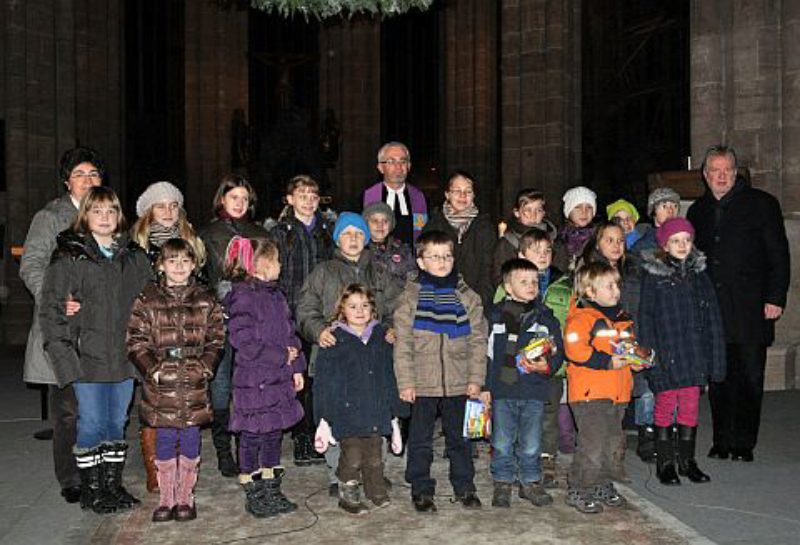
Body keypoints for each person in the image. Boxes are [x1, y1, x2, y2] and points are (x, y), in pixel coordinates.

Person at [39, 186, 152, 514]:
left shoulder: (134, 257)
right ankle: (92, 489)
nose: (104, 218)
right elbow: (51, 310)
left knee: (116, 422)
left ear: (119, 216)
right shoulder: (70, 256)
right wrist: (64, 361)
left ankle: (111, 485)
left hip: (123, 357)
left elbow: (150, 302)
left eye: (111, 211)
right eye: (97, 211)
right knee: (90, 423)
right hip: (86, 357)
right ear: (85, 215)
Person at [687, 145, 790, 462]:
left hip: (751, 307)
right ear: (705, 175)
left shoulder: (762, 204)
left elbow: (778, 255)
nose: (720, 176)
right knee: (719, 377)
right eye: (714, 170)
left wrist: (775, 297)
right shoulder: (698, 211)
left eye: (726, 170)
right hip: (713, 310)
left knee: (748, 376)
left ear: (736, 172)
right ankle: (721, 440)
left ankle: (743, 443)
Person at [19, 146, 104, 504]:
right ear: (67, 180)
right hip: (65, 327)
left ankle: (101, 471)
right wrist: (55, 299)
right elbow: (32, 264)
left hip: (99, 328)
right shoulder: (51, 216)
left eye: (94, 174)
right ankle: (71, 477)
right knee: (68, 410)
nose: (88, 180)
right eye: (81, 174)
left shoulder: (107, 214)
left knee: (99, 407)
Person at [296, 212, 401, 496]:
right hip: (336, 357)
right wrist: (318, 331)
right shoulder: (323, 271)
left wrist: (391, 329)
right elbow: (305, 308)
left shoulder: (379, 271)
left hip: (372, 357)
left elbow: (396, 306)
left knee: (376, 410)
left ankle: (373, 471)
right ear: (337, 238)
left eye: (358, 234)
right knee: (336, 412)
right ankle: (338, 473)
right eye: (347, 234)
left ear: (366, 238)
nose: (353, 239)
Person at [126, 238, 225, 522]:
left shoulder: (206, 299)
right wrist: (151, 369)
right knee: (166, 438)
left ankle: (185, 497)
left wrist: (206, 367)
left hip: (193, 379)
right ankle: (166, 497)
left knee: (191, 437)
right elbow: (135, 340)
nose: (179, 267)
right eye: (172, 261)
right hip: (161, 381)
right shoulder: (147, 299)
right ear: (161, 265)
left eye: (185, 261)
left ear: (194, 264)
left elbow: (217, 339)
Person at [394, 229, 488, 513]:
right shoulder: (409, 299)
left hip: (459, 382)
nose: (442, 262)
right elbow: (402, 345)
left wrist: (476, 380)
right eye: (435, 257)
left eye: (447, 256)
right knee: (420, 440)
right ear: (421, 262)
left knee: (460, 439)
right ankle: (421, 487)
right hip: (422, 382)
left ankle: (464, 485)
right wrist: (406, 383)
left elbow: (478, 341)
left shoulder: (468, 297)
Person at [130, 180, 207, 493]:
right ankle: (156, 471)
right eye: (160, 205)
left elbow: (204, 284)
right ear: (148, 211)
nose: (167, 211)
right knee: (153, 404)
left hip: (186, 335)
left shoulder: (193, 243)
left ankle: (184, 471)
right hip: (151, 333)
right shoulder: (135, 247)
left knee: (186, 403)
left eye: (173, 205)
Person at [638, 218, 726, 486]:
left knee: (689, 407)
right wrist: (650, 356)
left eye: (686, 240)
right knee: (665, 406)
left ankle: (687, 461)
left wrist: (715, 359)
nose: (682, 245)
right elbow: (646, 319)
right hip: (666, 353)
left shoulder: (700, 277)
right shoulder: (654, 278)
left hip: (694, 354)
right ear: (664, 244)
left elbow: (713, 319)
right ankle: (665, 463)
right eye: (675, 240)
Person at [224, 237, 306, 518]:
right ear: (262, 264)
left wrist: (296, 368)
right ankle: (254, 490)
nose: (281, 265)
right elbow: (243, 341)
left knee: (273, 433)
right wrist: (280, 356)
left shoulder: (277, 295)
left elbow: (290, 335)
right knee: (252, 435)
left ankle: (272, 487)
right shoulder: (243, 296)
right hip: (254, 381)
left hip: (279, 379)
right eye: (278, 260)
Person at [313, 284, 405, 514]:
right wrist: (324, 417)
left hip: (375, 409)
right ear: (342, 309)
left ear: (373, 309)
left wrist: (394, 412)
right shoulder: (333, 339)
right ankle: (348, 492)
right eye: (353, 306)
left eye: (365, 305)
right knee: (352, 456)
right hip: (346, 412)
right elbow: (323, 381)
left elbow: (389, 374)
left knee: (375, 456)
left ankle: (376, 490)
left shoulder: (381, 336)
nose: (359, 310)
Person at [199, 174, 269, 477]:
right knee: (221, 386)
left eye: (244, 198)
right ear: (222, 200)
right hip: (220, 321)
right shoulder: (206, 234)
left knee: (248, 386)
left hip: (252, 320)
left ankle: (246, 447)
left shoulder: (260, 233)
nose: (239, 203)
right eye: (233, 198)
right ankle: (223, 450)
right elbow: (200, 278)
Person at [563, 262, 644, 514]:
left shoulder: (621, 319)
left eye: (617, 285)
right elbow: (574, 348)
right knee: (592, 445)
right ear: (589, 291)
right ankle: (579, 487)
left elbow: (627, 350)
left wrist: (636, 360)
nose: (616, 290)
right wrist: (607, 361)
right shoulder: (582, 317)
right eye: (609, 286)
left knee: (612, 442)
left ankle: (601, 483)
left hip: (617, 393)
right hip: (591, 394)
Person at [483, 259, 564, 508]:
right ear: (508, 287)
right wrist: (484, 388)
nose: (531, 286)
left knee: (532, 441)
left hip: (533, 391)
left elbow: (558, 351)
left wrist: (547, 366)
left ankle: (530, 482)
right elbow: (484, 356)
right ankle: (503, 482)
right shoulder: (494, 317)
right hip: (502, 391)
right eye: (524, 281)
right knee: (502, 440)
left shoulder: (545, 318)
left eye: (535, 281)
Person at [267, 175, 334, 467]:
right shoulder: (281, 233)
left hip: (321, 315)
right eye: (302, 194)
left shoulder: (326, 231)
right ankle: (301, 436)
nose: (308, 200)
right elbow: (274, 274)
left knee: (319, 377)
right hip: (292, 314)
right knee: (298, 378)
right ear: (290, 199)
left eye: (313, 195)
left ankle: (319, 430)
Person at [575, 221, 646, 472]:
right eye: (609, 240)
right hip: (595, 375)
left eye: (620, 240)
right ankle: (586, 483)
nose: (616, 245)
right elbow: (578, 334)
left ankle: (611, 471)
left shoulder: (633, 270)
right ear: (597, 243)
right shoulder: (589, 277)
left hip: (622, 363)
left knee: (615, 424)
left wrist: (636, 352)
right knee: (595, 434)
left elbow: (635, 314)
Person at [422, 170, 498, 311]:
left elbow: (488, 269)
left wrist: (479, 301)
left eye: (468, 191)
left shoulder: (484, 227)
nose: (462, 196)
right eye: (457, 191)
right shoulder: (433, 226)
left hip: (477, 302)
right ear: (447, 194)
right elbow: (426, 268)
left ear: (474, 195)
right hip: (440, 301)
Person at [363, 141, 428, 248]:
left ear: (409, 166)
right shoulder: (366, 197)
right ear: (380, 167)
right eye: (391, 161)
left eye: (403, 162)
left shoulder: (419, 198)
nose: (398, 167)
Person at [492, 188, 557, 286]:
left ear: (543, 213)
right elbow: (500, 276)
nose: (533, 215)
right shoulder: (507, 242)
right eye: (528, 210)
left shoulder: (554, 238)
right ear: (517, 212)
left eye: (538, 210)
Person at [362, 201, 416, 288]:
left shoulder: (403, 250)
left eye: (385, 221)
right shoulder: (359, 250)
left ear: (391, 224)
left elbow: (413, 281)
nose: (380, 225)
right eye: (375, 221)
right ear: (366, 223)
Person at [553, 186, 597, 272]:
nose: (584, 212)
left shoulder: (599, 236)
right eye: (577, 207)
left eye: (589, 207)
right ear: (568, 211)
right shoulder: (557, 237)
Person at [631, 187, 681, 255]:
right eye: (664, 206)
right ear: (653, 211)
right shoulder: (643, 247)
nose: (671, 210)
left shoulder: (685, 241)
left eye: (675, 206)